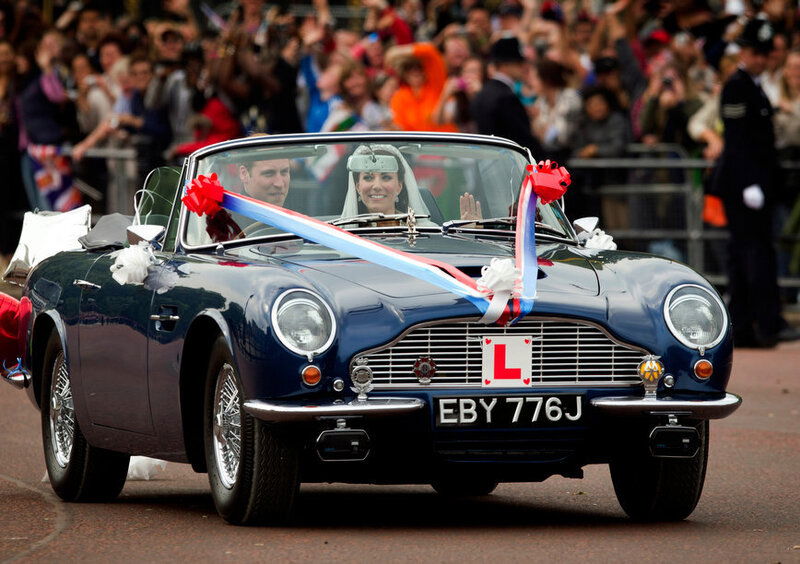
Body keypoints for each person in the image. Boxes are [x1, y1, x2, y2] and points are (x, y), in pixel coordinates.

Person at [709, 19, 790, 347]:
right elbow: (738, 142)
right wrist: (748, 184)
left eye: (764, 52)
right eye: (755, 51)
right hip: (744, 186)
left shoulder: (753, 85)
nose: (760, 58)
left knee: (754, 254)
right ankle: (759, 323)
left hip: (756, 185)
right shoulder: (737, 86)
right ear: (744, 51)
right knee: (750, 255)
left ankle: (752, 323)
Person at [470, 36, 543, 157]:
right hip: (507, 165)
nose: (524, 67)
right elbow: (523, 141)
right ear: (504, 64)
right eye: (518, 63)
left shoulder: (482, 94)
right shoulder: (506, 97)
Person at [341, 144, 431, 221]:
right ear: (357, 187)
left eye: (386, 177)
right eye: (368, 178)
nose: (377, 186)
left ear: (399, 186)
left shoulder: (424, 233)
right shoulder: (341, 236)